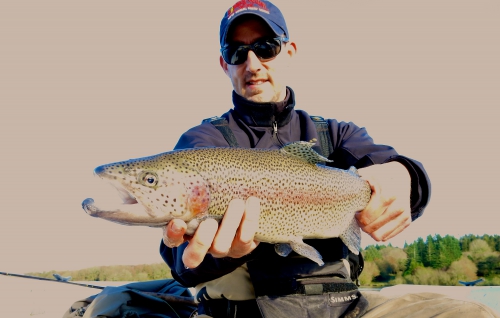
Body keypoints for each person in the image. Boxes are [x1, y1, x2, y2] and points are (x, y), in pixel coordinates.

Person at [158, 1, 497, 317]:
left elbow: (400, 169)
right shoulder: (202, 144)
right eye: (237, 52)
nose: (253, 63)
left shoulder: (336, 135)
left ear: (289, 52)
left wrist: (406, 176)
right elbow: (180, 261)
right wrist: (218, 256)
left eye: (266, 48)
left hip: (347, 307)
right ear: (224, 64)